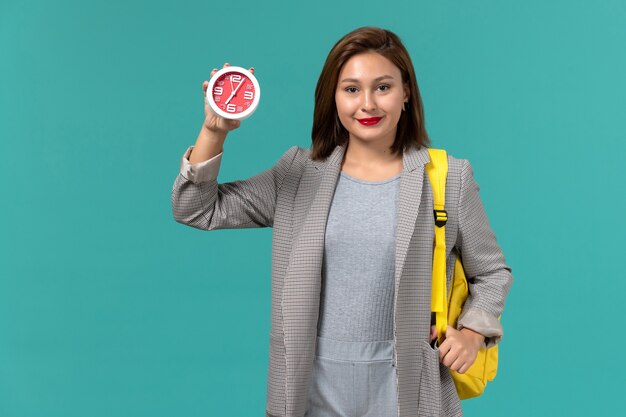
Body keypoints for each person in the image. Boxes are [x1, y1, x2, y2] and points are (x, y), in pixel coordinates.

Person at [172, 26, 513, 417]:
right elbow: (196, 208)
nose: (367, 104)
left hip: (407, 389)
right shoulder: (298, 173)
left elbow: (492, 273)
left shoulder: (448, 179)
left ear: (406, 95)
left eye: (382, 87)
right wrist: (213, 132)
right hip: (310, 390)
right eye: (351, 89)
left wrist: (472, 334)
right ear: (333, 99)